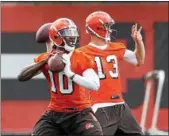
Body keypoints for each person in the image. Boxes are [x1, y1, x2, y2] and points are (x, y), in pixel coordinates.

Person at [18, 18, 103, 136]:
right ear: (56, 36)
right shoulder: (46, 58)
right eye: (68, 34)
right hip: (55, 113)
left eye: (73, 33)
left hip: (80, 112)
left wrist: (71, 74)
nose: (72, 37)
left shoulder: (82, 57)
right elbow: (22, 76)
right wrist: (44, 62)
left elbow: (95, 85)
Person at [78, 11, 145, 135]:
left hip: (120, 104)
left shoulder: (116, 47)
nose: (109, 29)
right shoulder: (82, 53)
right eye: (106, 26)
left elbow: (139, 60)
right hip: (100, 106)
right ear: (96, 29)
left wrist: (138, 42)